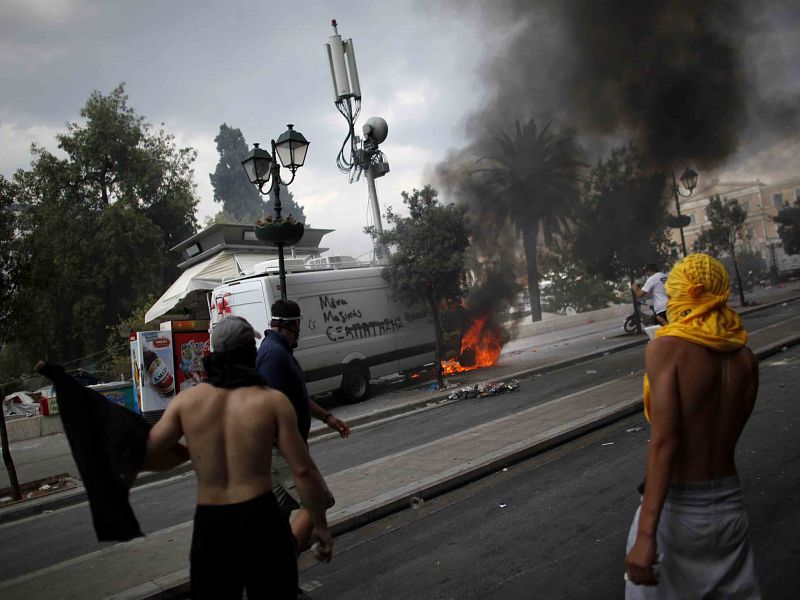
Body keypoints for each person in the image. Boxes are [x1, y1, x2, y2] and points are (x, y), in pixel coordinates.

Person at [146, 316, 333, 600]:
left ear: (214, 356)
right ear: (250, 354)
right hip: (260, 518)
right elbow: (303, 471)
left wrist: (186, 454)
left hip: (212, 523)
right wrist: (319, 525)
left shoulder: (186, 402)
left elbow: (149, 454)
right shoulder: (270, 402)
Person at [625, 253, 761, 599]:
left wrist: (645, 535)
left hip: (680, 513)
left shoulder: (667, 349)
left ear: (688, 293)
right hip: (729, 508)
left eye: (673, 293)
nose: (669, 301)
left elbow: (665, 443)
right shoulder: (744, 357)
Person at [256, 299, 351, 558]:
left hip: (281, 449)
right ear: (294, 324)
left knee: (277, 516)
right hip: (282, 450)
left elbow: (297, 396)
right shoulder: (274, 356)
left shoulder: (278, 350)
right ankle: (280, 575)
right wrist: (288, 447)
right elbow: (270, 406)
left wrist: (327, 417)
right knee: (317, 500)